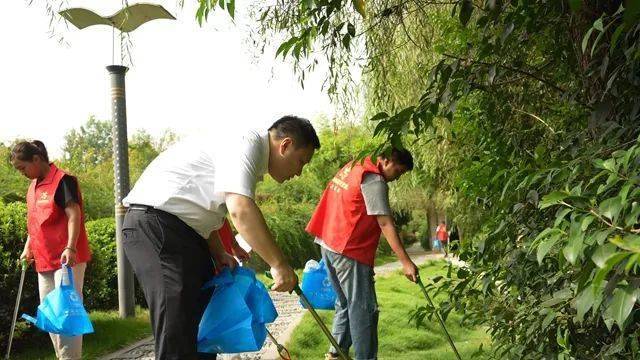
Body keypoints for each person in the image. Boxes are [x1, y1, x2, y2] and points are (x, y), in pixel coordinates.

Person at [121, 116, 320, 360]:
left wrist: (219, 251)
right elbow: (240, 209)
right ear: (285, 145)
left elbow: (203, 207)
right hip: (156, 228)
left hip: (183, 234)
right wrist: (279, 265)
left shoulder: (249, 154)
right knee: (179, 333)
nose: (299, 172)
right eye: (301, 162)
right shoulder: (247, 143)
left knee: (206, 331)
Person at [306, 148, 419, 360]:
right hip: (349, 250)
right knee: (363, 310)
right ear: (387, 161)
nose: (398, 177)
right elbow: (384, 222)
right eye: (399, 171)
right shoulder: (374, 180)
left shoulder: (354, 166)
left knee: (345, 303)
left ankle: (336, 354)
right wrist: (406, 262)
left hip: (328, 243)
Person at [11, 140, 92, 360]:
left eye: (23, 168)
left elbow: (74, 214)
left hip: (66, 259)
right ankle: (62, 357)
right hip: (44, 260)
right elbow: (36, 222)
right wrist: (28, 248)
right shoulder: (33, 186)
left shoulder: (62, 181)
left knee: (66, 314)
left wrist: (71, 247)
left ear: (36, 160)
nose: (22, 173)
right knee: (51, 316)